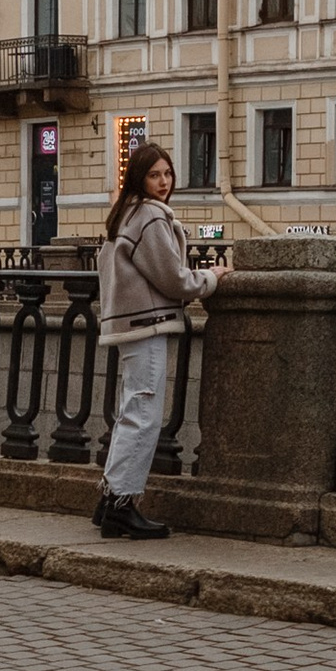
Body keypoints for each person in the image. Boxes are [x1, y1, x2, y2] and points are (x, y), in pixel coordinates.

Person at [93, 140, 224, 540]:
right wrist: (214, 277)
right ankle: (122, 504)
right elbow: (173, 278)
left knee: (132, 409)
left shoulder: (126, 212)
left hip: (129, 324)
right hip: (147, 324)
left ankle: (109, 501)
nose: (163, 182)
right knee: (143, 415)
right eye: (154, 174)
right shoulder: (150, 215)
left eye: (167, 174)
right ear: (139, 177)